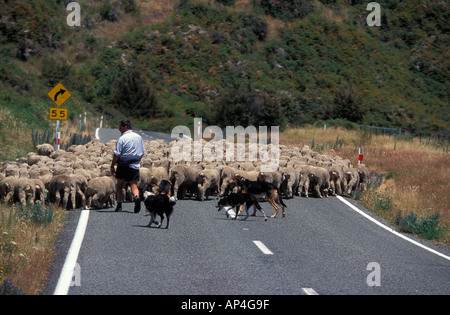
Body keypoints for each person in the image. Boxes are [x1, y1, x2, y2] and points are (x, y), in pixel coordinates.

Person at [110, 119, 145, 213]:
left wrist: (112, 165)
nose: (119, 129)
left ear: (125, 127)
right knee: (133, 184)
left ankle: (119, 205)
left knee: (120, 185)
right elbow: (142, 152)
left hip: (123, 164)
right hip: (134, 164)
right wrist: (137, 161)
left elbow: (117, 154)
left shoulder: (122, 138)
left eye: (120, 126)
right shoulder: (138, 137)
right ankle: (137, 197)